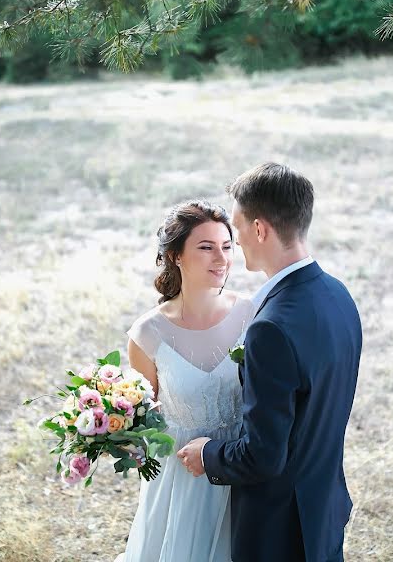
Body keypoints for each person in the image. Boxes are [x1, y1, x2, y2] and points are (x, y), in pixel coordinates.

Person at [178, 163, 363, 562]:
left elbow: (263, 455)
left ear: (260, 229)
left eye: (238, 226)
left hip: (280, 531)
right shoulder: (338, 296)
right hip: (323, 508)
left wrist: (208, 454)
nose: (235, 239)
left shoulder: (270, 329)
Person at [117, 200, 255, 562]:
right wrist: (126, 442)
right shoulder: (148, 334)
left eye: (227, 247)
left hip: (243, 466)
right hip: (182, 479)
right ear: (176, 255)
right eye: (206, 247)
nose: (221, 259)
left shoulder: (253, 315)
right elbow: (144, 420)